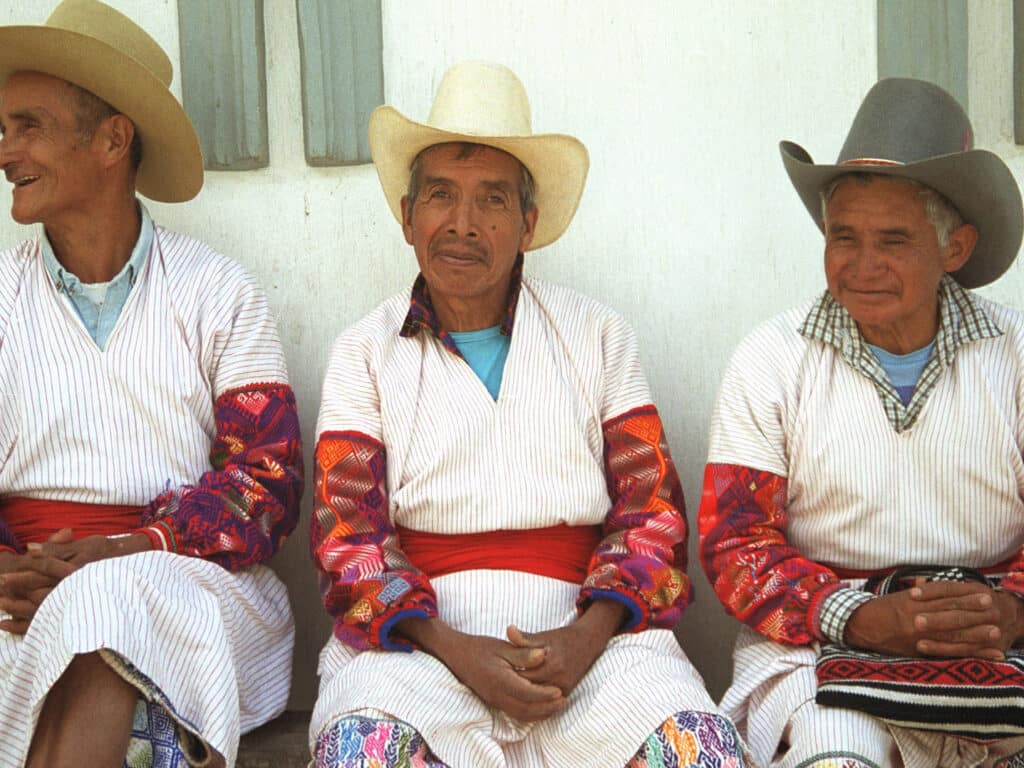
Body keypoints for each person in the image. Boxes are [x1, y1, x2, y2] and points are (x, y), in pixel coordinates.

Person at [309, 61, 750, 768]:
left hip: (594, 641)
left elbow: (653, 521)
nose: (462, 224)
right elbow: (346, 539)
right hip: (417, 645)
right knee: (367, 752)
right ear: (406, 216)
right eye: (441, 196)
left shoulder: (599, 335)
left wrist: (584, 638)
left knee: (696, 752)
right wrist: (455, 649)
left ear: (529, 223)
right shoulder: (365, 351)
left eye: (492, 200)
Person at [0, 2, 303, 766]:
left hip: (181, 577)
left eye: (26, 126)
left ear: (111, 138)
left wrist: (127, 550)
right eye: (3, 130)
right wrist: (10, 571)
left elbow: (266, 488)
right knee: (82, 610)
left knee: (103, 604)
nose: (5, 152)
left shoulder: (217, 293)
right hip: (19, 582)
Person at [699, 77, 1024, 767]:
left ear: (955, 249)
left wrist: (1012, 611)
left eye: (894, 241)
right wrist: (860, 617)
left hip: (999, 644)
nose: (863, 266)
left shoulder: (1016, 356)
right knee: (837, 758)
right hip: (820, 646)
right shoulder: (772, 359)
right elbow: (733, 542)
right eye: (844, 237)